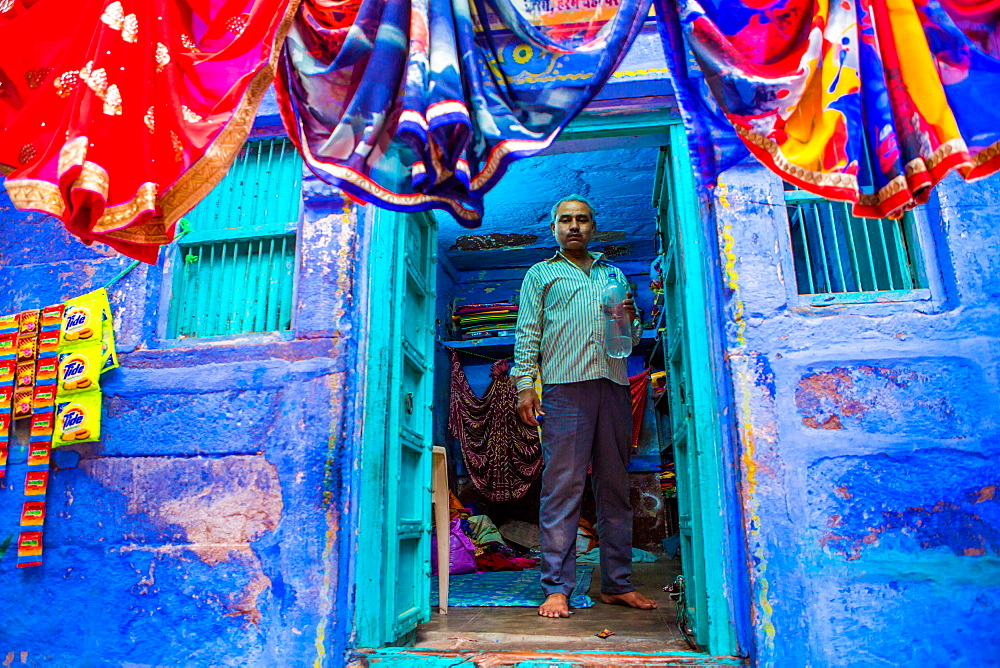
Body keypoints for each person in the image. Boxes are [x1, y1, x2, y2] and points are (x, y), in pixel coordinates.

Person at [512, 194, 658, 618]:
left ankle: (617, 584)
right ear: (554, 228)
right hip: (563, 389)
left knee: (615, 489)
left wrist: (630, 318)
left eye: (582, 220)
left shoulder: (613, 275)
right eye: (565, 220)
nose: (574, 226)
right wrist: (525, 385)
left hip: (613, 386)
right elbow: (527, 333)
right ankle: (557, 587)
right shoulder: (541, 275)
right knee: (562, 489)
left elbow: (628, 340)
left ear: (593, 227)